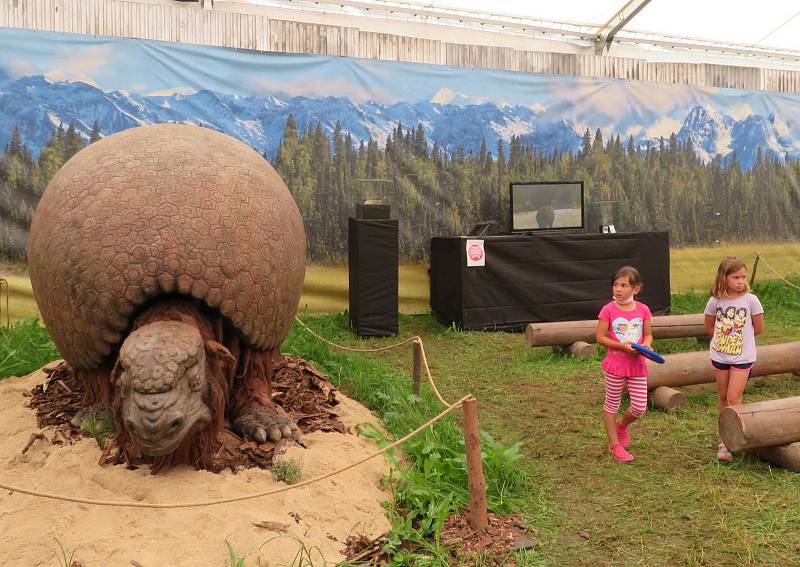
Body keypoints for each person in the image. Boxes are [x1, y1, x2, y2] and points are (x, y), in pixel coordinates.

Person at [704, 257, 764, 463]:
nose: (740, 281)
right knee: (722, 395)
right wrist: (723, 341)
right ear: (724, 278)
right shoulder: (715, 301)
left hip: (743, 356)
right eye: (735, 277)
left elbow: (759, 328)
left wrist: (740, 341)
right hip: (720, 354)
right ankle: (724, 439)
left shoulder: (751, 300)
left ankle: (736, 438)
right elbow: (709, 325)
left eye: (743, 277)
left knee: (733, 396)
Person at [596, 266, 653, 462]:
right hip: (615, 365)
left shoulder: (643, 309)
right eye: (615, 285)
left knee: (639, 407)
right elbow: (600, 338)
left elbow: (648, 335)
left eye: (624, 285)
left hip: (637, 365)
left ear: (636, 289)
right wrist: (621, 346)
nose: (618, 289)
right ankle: (614, 445)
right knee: (612, 403)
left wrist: (646, 345)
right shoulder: (608, 310)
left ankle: (621, 426)